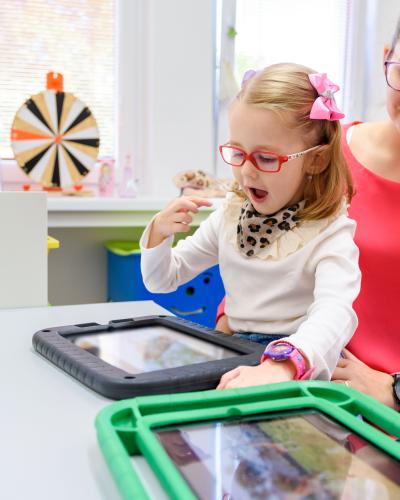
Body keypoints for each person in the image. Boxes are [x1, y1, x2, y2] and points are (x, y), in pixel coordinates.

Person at [140, 63, 360, 386]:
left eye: (267, 159)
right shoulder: (231, 216)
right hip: (236, 351)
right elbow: (163, 279)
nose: (246, 172)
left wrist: (282, 365)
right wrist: (159, 232)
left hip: (300, 364)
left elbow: (334, 314)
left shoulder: (330, 233)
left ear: (316, 159)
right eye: (237, 153)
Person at [216, 24, 400, 410]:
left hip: (380, 415)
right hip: (288, 383)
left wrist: (395, 389)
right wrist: (229, 322)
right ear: (387, 57)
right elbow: (253, 235)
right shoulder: (317, 152)